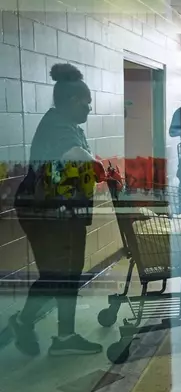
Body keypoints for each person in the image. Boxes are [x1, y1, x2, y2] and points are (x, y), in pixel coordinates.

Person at [11, 63, 103, 356]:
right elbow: (78, 158)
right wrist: (97, 165)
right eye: (87, 103)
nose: (89, 108)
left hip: (65, 210)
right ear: (73, 101)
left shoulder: (69, 126)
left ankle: (65, 337)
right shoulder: (56, 126)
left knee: (70, 272)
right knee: (55, 274)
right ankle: (23, 321)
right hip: (45, 212)